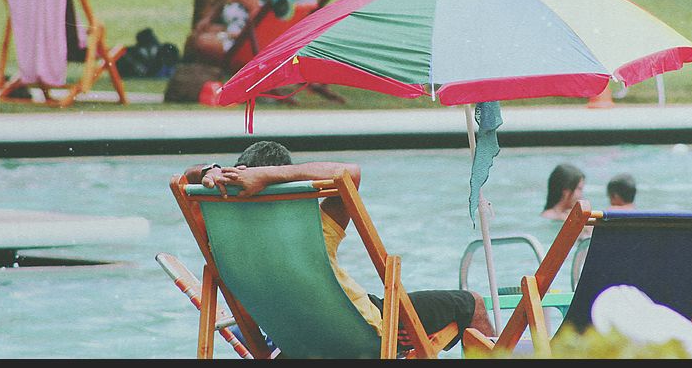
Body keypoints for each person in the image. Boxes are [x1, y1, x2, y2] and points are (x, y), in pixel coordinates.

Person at [185, 141, 495, 353]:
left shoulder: (219, 238)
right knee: (473, 303)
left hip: (294, 342)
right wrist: (271, 176)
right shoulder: (312, 232)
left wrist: (212, 170)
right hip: (364, 331)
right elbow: (350, 173)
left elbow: (184, 177)